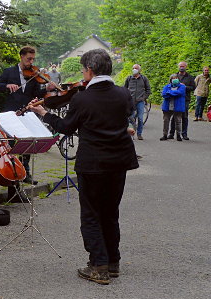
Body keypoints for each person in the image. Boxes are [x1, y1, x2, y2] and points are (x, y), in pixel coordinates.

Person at [28, 49, 138, 285]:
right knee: (110, 212)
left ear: (89, 70)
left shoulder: (82, 98)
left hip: (93, 163)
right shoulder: (123, 93)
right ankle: (113, 261)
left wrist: (45, 113)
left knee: (91, 215)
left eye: (82, 70)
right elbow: (124, 116)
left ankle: (98, 266)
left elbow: (66, 127)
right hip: (119, 161)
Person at [0, 46, 54, 185]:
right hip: (12, 113)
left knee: (27, 144)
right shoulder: (9, 71)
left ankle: (26, 172)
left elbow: (38, 93)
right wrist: (7, 86)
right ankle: (14, 174)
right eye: (28, 59)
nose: (31, 62)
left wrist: (47, 89)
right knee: (13, 145)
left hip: (27, 113)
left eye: (33, 59)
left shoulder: (34, 75)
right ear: (21, 57)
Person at [124, 64, 151, 140]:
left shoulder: (144, 79)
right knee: (131, 118)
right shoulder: (129, 78)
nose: (134, 69)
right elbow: (124, 89)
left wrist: (143, 98)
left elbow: (148, 90)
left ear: (139, 70)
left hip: (140, 102)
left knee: (140, 118)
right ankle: (131, 133)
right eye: (133, 68)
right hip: (130, 102)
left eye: (136, 68)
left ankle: (139, 134)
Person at [169, 62, 194, 140]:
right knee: (174, 116)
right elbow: (169, 85)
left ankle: (184, 134)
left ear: (186, 67)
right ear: (178, 67)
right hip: (175, 98)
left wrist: (184, 87)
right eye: (180, 66)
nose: (181, 67)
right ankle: (171, 133)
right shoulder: (174, 76)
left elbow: (193, 87)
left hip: (185, 99)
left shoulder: (190, 77)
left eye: (183, 66)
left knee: (184, 116)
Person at [160, 74, 186, 141]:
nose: (175, 79)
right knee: (166, 121)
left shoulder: (182, 86)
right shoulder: (166, 86)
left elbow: (180, 93)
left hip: (178, 106)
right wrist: (174, 94)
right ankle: (165, 135)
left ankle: (178, 135)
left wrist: (169, 92)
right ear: (170, 79)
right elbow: (164, 94)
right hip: (167, 106)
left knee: (178, 121)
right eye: (173, 78)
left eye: (176, 78)